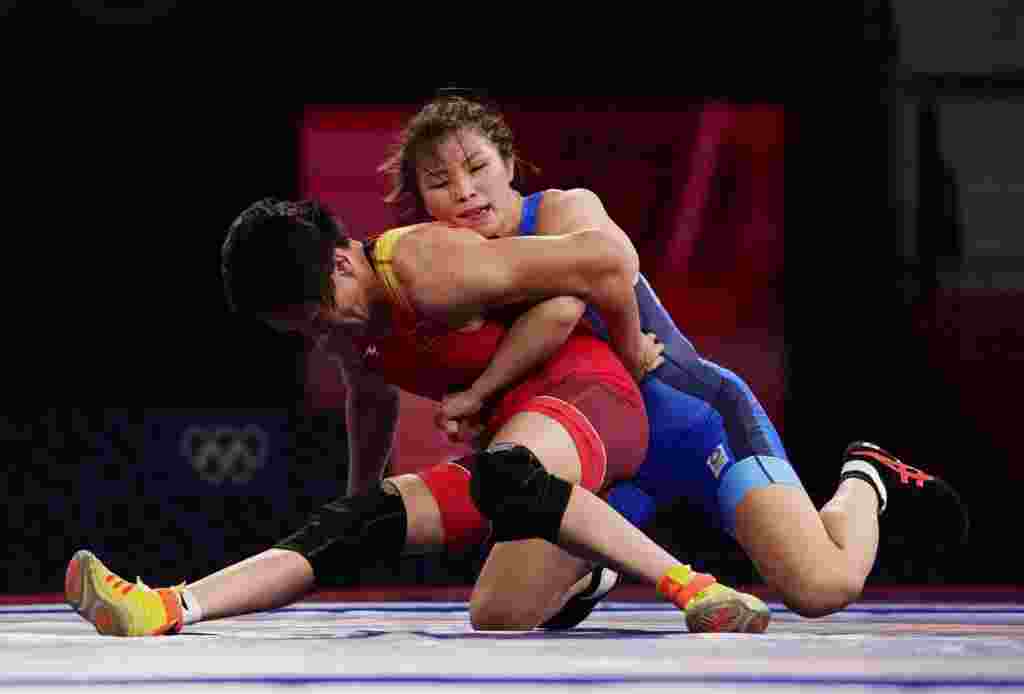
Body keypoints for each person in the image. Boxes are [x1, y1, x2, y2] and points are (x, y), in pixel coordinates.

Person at [376, 93, 970, 625]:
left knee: (822, 588)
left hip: (688, 420)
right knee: (499, 612)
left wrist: (619, 348)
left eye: (477, 167)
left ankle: (867, 477)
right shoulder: (445, 276)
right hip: (607, 456)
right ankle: (598, 566)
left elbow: (589, 285)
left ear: (509, 164)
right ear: (422, 202)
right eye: (440, 181)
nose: (465, 191)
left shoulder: (563, 210)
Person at [64, 197, 772, 637]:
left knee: (503, 476)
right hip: (525, 431)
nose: (321, 336)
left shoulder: (429, 267)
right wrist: (356, 503)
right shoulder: (343, 320)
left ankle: (695, 588)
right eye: (304, 331)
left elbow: (605, 267)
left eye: (319, 319)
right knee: (460, 588)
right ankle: (164, 607)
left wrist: (637, 354)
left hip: (595, 394)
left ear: (344, 264)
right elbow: (370, 400)